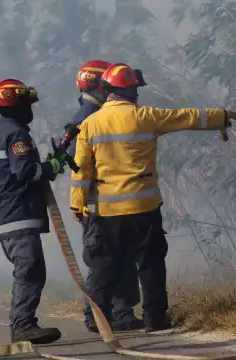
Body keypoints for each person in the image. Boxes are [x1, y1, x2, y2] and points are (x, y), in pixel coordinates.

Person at [69, 63, 236, 332]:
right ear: (130, 92)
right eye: (136, 90)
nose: (138, 95)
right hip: (143, 207)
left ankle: (97, 318)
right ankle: (154, 318)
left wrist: (77, 203)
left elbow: (81, 170)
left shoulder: (90, 124)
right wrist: (221, 116)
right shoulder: (146, 116)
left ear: (107, 92)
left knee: (104, 264)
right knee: (150, 263)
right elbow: (186, 117)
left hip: (106, 211)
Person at [0, 78, 66, 345]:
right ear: (17, 105)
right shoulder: (16, 134)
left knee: (30, 268)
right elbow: (26, 171)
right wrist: (51, 167)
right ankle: (23, 326)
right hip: (16, 214)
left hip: (10, 214)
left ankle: (22, 324)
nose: (31, 110)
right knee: (29, 268)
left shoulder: (3, 130)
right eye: (27, 104)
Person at [66, 60, 143, 333]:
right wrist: (80, 202)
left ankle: (120, 312)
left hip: (110, 199)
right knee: (103, 259)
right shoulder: (87, 118)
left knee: (119, 256)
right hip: (99, 203)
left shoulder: (95, 114)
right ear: (100, 86)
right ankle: (97, 314)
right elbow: (80, 164)